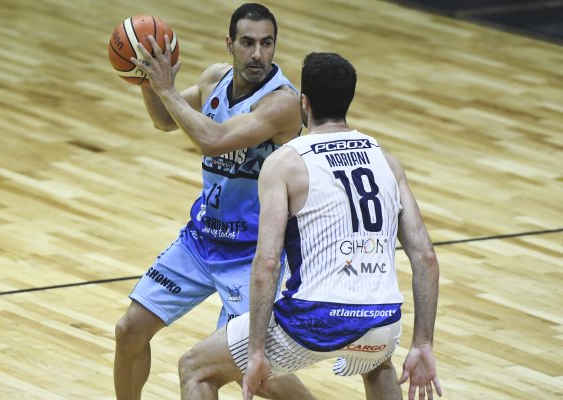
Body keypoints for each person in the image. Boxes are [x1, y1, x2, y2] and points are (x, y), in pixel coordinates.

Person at [177, 52, 442, 400]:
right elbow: (425, 257)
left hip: (314, 320)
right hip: (384, 319)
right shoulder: (386, 161)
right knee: (375, 361)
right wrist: (423, 342)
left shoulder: (285, 162)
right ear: (348, 99)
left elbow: (268, 264)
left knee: (195, 369)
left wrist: (256, 351)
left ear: (305, 103)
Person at [114, 3, 317, 400]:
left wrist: (167, 89)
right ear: (230, 44)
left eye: (266, 43)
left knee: (247, 368)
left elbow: (212, 139)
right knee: (129, 330)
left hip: (253, 253)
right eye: (247, 43)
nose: (257, 54)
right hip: (201, 239)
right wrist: (147, 81)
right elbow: (166, 120)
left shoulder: (282, 103)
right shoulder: (213, 79)